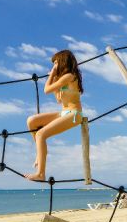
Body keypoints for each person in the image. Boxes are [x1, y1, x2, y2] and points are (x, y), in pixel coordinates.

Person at [24, 49, 84, 182]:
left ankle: (41, 174)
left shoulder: (70, 76)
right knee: (32, 121)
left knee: (41, 134)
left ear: (62, 62)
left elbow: (46, 90)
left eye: (56, 63)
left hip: (74, 114)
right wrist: (56, 78)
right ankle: (41, 153)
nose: (54, 65)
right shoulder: (63, 79)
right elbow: (58, 99)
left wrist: (51, 75)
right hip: (64, 112)